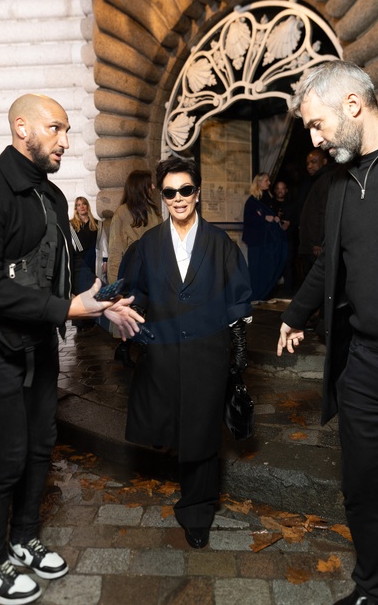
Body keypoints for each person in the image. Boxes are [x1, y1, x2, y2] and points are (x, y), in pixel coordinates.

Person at [0, 93, 144, 605]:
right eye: (55, 128)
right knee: (6, 456)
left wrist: (97, 306)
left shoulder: (54, 197)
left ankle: (23, 538)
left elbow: (58, 275)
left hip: (36, 341)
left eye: (66, 129)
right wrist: (67, 309)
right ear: (22, 128)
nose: (64, 139)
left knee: (41, 444)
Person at [277, 60, 378, 605]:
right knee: (360, 490)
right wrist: (294, 314)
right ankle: (374, 591)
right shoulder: (337, 182)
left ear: (353, 105)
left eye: (316, 123)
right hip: (367, 368)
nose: (314, 138)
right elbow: (331, 262)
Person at [124, 156, 252, 549]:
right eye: (170, 192)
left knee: (201, 432)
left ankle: (197, 510)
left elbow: (238, 299)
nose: (178, 198)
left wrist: (238, 350)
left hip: (207, 355)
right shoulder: (148, 244)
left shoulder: (220, 243)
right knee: (171, 425)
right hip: (163, 353)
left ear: (197, 193)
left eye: (185, 190)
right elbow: (135, 292)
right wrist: (130, 323)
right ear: (161, 197)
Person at [108, 169, 162, 366]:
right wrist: (115, 285)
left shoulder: (154, 211)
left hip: (152, 272)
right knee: (132, 313)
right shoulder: (121, 213)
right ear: (140, 186)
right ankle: (127, 349)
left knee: (147, 314)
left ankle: (128, 349)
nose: (153, 187)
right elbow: (115, 250)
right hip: (131, 274)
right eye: (149, 184)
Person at [242, 172, 287, 303]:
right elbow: (249, 219)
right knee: (255, 268)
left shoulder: (269, 199)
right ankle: (255, 295)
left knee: (268, 268)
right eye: (266, 181)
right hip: (256, 241)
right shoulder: (252, 201)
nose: (269, 183)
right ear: (259, 182)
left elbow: (273, 213)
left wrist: (276, 218)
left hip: (268, 241)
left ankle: (267, 294)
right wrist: (263, 218)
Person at [70, 196, 108, 331]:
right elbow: (70, 245)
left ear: (87, 206)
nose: (82, 207)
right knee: (81, 289)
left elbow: (103, 242)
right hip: (79, 259)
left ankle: (93, 319)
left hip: (94, 258)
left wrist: (105, 260)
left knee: (94, 287)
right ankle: (80, 321)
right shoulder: (71, 225)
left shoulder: (97, 224)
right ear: (76, 208)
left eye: (84, 204)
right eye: (79, 205)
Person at [298, 148, 337, 279]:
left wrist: (318, 242)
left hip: (316, 246)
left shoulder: (326, 179)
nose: (309, 166)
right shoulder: (316, 180)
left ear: (324, 161)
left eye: (314, 162)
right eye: (308, 163)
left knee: (318, 282)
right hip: (312, 244)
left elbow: (324, 211)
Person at [271, 180, 296, 297]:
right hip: (273, 240)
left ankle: (288, 292)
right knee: (273, 266)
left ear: (286, 190)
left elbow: (297, 221)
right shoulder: (270, 204)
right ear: (274, 190)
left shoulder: (292, 205)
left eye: (282, 188)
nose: (280, 191)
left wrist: (289, 224)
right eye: (278, 188)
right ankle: (271, 292)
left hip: (288, 239)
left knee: (287, 265)